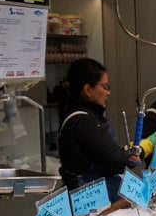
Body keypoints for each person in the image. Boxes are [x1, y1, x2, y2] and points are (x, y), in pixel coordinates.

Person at [56, 58, 133, 205]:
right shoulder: (84, 122)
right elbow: (114, 162)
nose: (108, 92)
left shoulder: (84, 117)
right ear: (87, 90)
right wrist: (136, 152)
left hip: (96, 194)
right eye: (104, 86)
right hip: (90, 199)